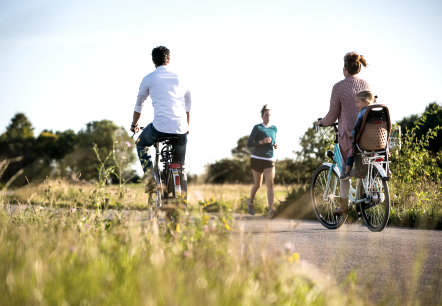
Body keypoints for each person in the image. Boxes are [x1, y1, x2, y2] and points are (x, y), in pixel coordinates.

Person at [130, 46, 191, 197]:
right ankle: (181, 201)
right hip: (181, 129)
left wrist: (134, 124)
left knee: (141, 144)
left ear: (153, 61)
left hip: (158, 128)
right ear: (169, 60)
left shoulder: (148, 78)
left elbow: (139, 105)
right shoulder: (181, 77)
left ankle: (151, 179)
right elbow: (188, 103)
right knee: (180, 166)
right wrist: (187, 125)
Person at [318, 52, 370, 215]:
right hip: (367, 135)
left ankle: (343, 206)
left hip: (348, 135)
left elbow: (332, 115)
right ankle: (362, 203)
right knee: (362, 167)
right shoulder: (366, 84)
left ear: (345, 68)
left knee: (344, 171)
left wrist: (322, 122)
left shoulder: (339, 87)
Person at [246, 105, 278, 219]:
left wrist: (275, 144)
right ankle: (251, 202)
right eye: (266, 115)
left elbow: (273, 141)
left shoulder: (274, 128)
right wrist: (262, 141)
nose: (268, 117)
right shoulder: (257, 128)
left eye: (269, 115)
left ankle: (271, 210)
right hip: (257, 158)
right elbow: (249, 143)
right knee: (258, 185)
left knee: (270, 184)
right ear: (262, 116)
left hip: (270, 159)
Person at [341, 90, 376, 180]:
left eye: (358, 102)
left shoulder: (362, 113)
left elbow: (357, 128)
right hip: (377, 142)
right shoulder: (375, 112)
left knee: (352, 151)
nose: (356, 105)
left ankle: (347, 173)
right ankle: (387, 171)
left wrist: (351, 134)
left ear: (366, 102)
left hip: (364, 142)